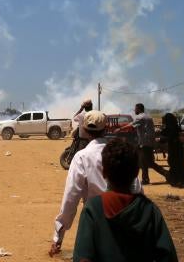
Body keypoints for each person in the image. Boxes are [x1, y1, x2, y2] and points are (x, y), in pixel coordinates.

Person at [49, 110, 141, 257]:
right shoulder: (119, 152)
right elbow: (136, 188)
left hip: (97, 223)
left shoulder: (82, 157)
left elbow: (70, 199)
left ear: (84, 130)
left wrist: (58, 237)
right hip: (127, 220)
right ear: (106, 129)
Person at [72, 137, 178, 262]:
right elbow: (167, 256)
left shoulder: (93, 209)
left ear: (104, 172)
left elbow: (83, 258)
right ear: (135, 173)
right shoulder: (149, 210)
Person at [132, 103, 168, 185]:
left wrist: (120, 128)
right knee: (143, 162)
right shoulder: (148, 117)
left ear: (139, 109)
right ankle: (145, 179)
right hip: (148, 143)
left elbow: (131, 125)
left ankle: (167, 174)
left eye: (135, 109)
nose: (134, 110)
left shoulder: (140, 117)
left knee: (149, 163)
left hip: (144, 143)